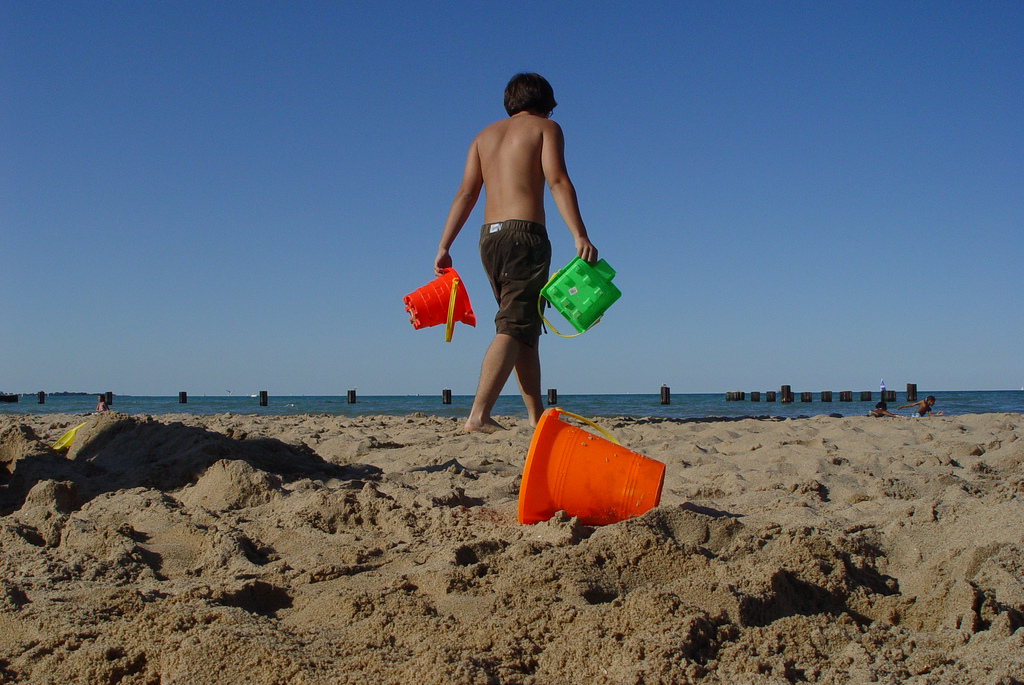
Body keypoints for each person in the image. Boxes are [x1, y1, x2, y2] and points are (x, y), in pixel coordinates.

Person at [434, 73, 598, 433]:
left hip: (489, 240)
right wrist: (579, 233)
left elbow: (466, 194)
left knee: (523, 324)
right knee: (513, 323)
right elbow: (557, 180)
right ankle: (478, 415)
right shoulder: (545, 129)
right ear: (547, 104)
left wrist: (445, 245)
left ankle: (536, 417)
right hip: (525, 235)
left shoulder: (483, 137)